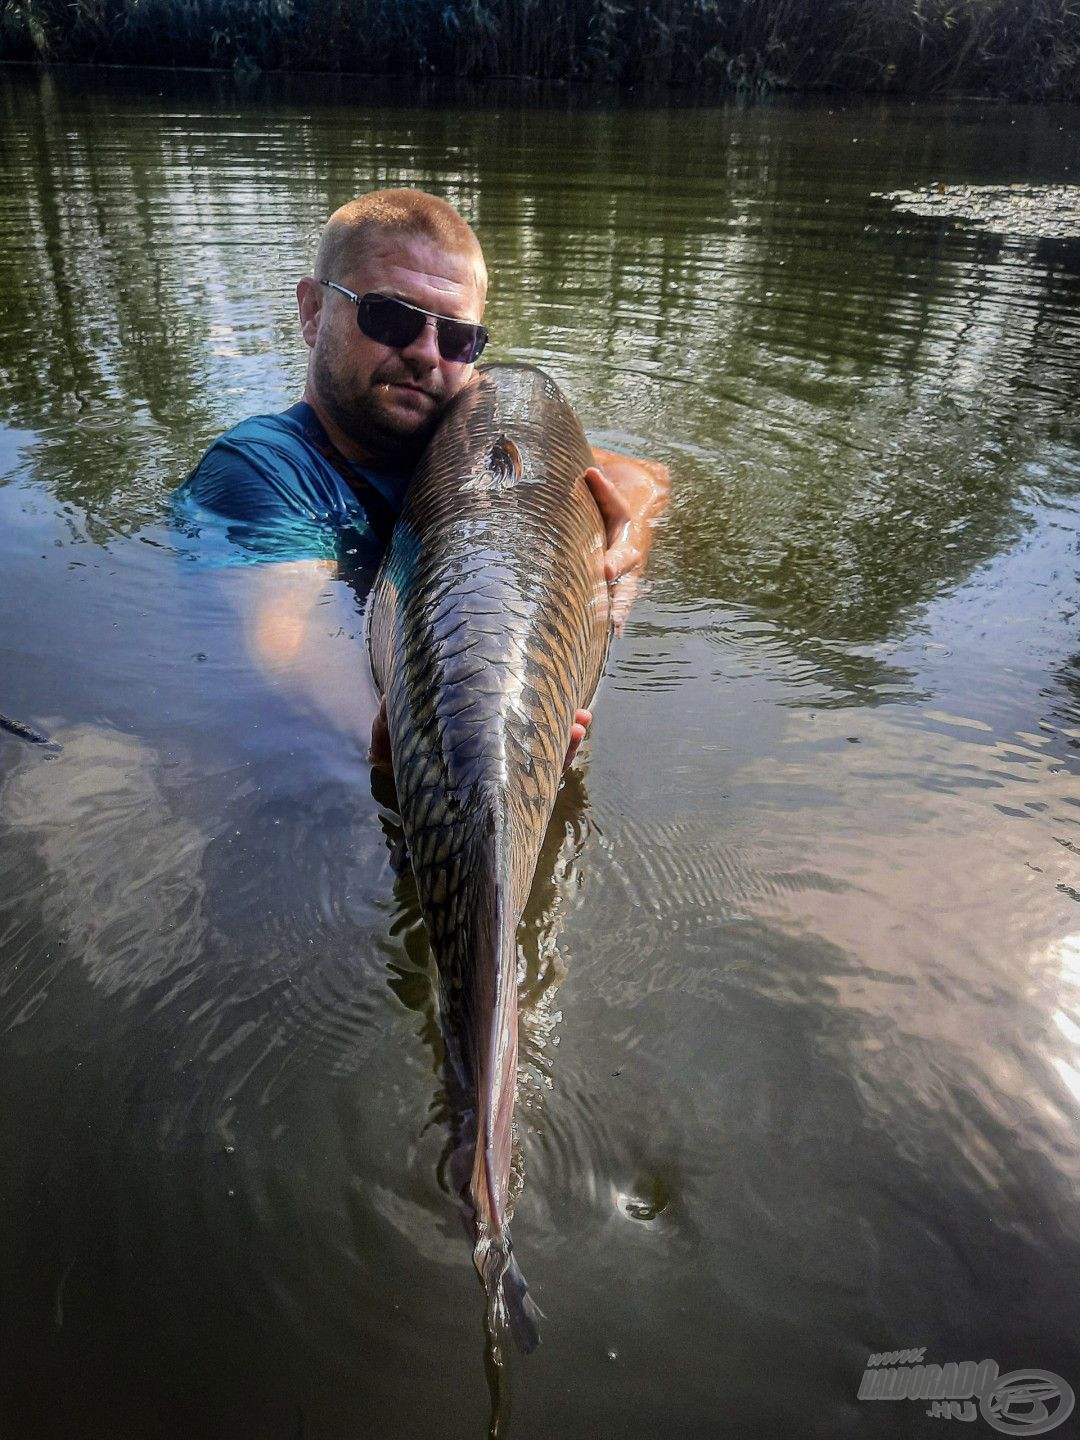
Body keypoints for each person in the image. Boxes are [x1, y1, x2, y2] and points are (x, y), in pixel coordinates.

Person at [177, 188, 669, 764]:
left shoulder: (448, 433)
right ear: (312, 311)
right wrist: (429, 745)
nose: (426, 354)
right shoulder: (260, 467)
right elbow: (282, 637)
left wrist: (626, 541)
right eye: (390, 317)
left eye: (457, 338)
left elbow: (642, 475)